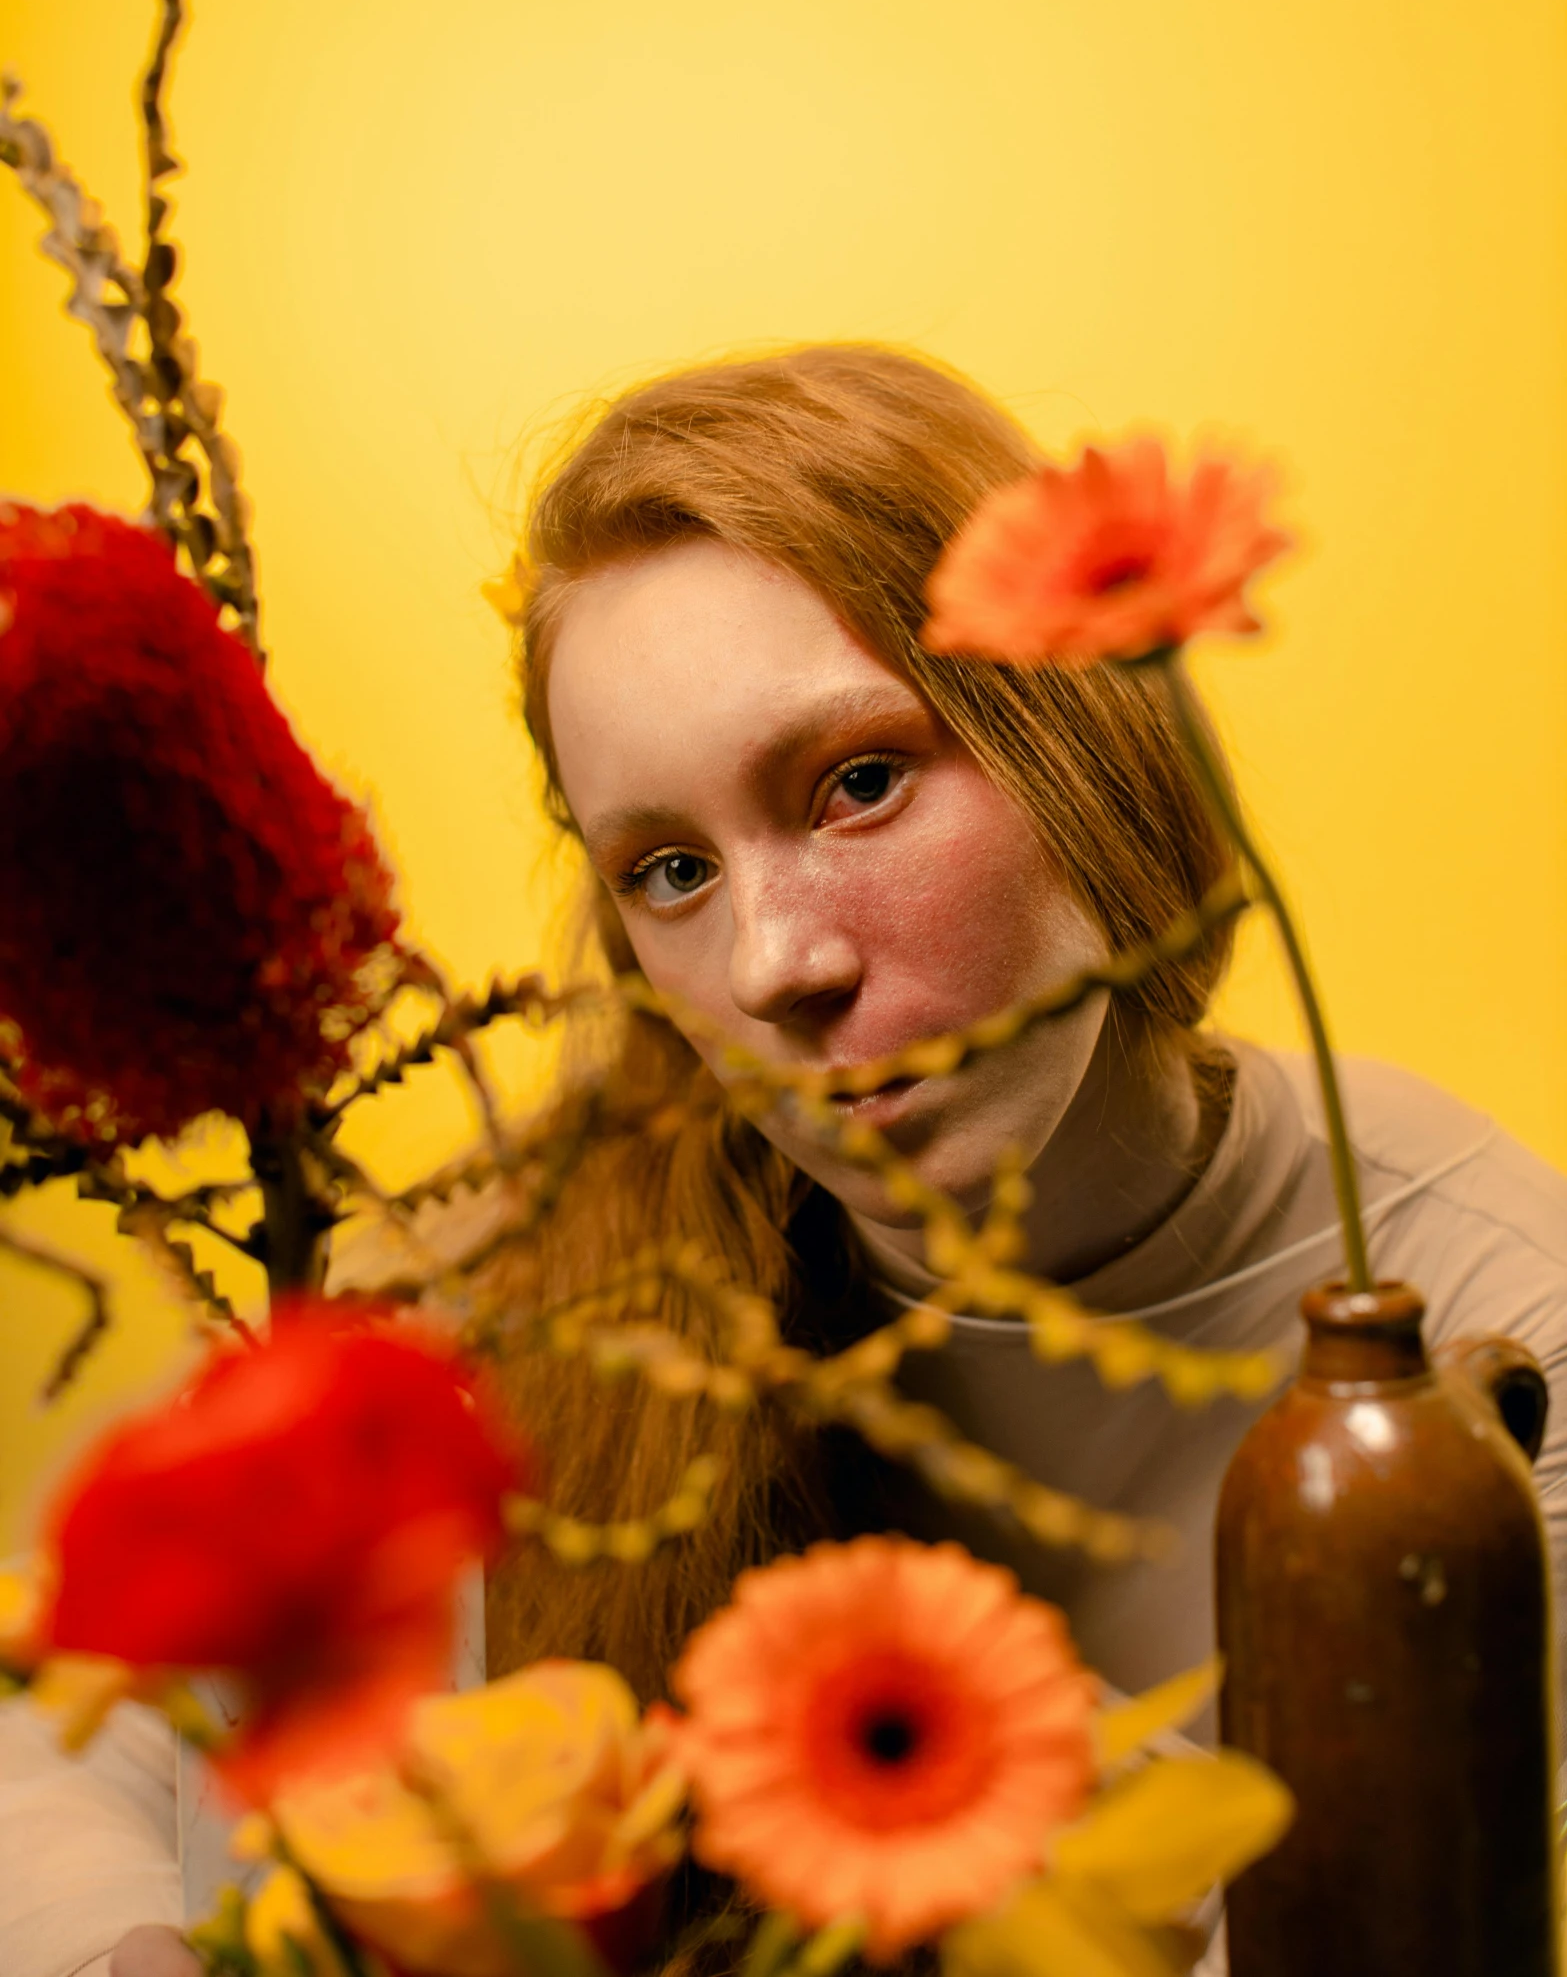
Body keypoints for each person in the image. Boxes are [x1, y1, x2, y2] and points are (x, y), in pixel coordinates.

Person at [13, 343, 1567, 1977]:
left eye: (858, 783)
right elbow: (74, 1714)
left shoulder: (1496, 1322)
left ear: (1080, 738)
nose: (771, 964)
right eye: (670, 867)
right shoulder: (530, 1281)